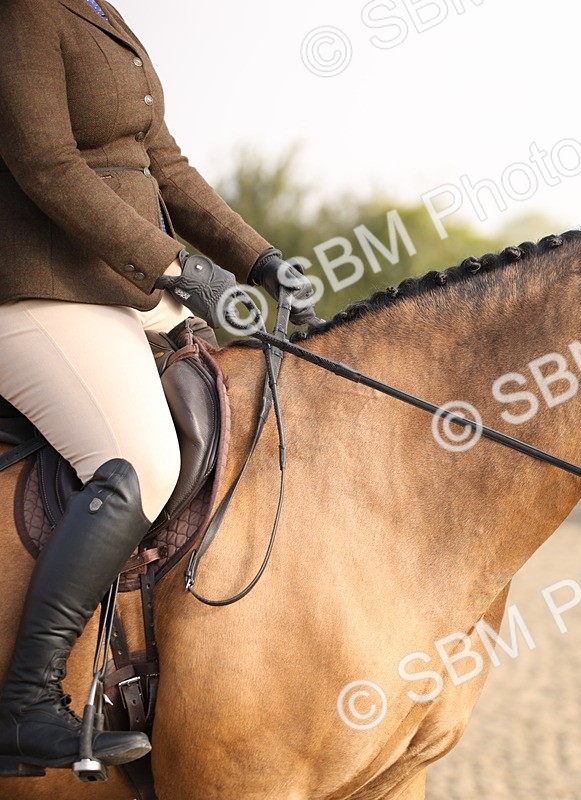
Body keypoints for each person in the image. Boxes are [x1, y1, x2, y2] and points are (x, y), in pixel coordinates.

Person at [0, 0, 315, 771]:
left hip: (123, 293)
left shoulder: (102, 12)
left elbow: (162, 162)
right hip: (44, 296)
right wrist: (175, 266)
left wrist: (258, 257)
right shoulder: (24, 11)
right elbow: (45, 162)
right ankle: (26, 703)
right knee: (140, 460)